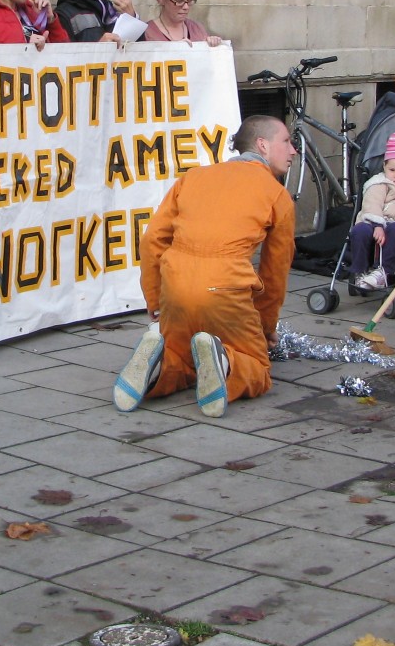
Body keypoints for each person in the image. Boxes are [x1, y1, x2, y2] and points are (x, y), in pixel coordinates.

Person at [112, 115, 297, 418]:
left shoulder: (194, 176)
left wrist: (156, 298)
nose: (293, 151)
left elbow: (152, 240)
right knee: (257, 366)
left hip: (176, 285)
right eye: (287, 142)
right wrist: (265, 328)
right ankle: (225, 361)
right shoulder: (277, 194)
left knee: (182, 360)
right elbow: (274, 272)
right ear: (262, 145)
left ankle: (157, 367)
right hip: (226, 288)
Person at [349, 133, 395, 292]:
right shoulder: (379, 183)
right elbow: (372, 205)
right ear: (384, 166)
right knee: (359, 230)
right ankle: (359, 271)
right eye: (392, 170)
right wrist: (378, 225)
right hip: (371, 223)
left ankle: (383, 272)